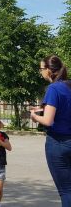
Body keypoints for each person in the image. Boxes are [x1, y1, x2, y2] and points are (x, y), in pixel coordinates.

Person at [31, 55, 71, 207]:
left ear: (48, 70)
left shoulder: (53, 88)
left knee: (66, 191)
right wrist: (43, 109)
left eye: (41, 69)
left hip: (58, 143)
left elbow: (48, 121)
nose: (40, 72)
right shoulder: (68, 86)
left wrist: (35, 116)